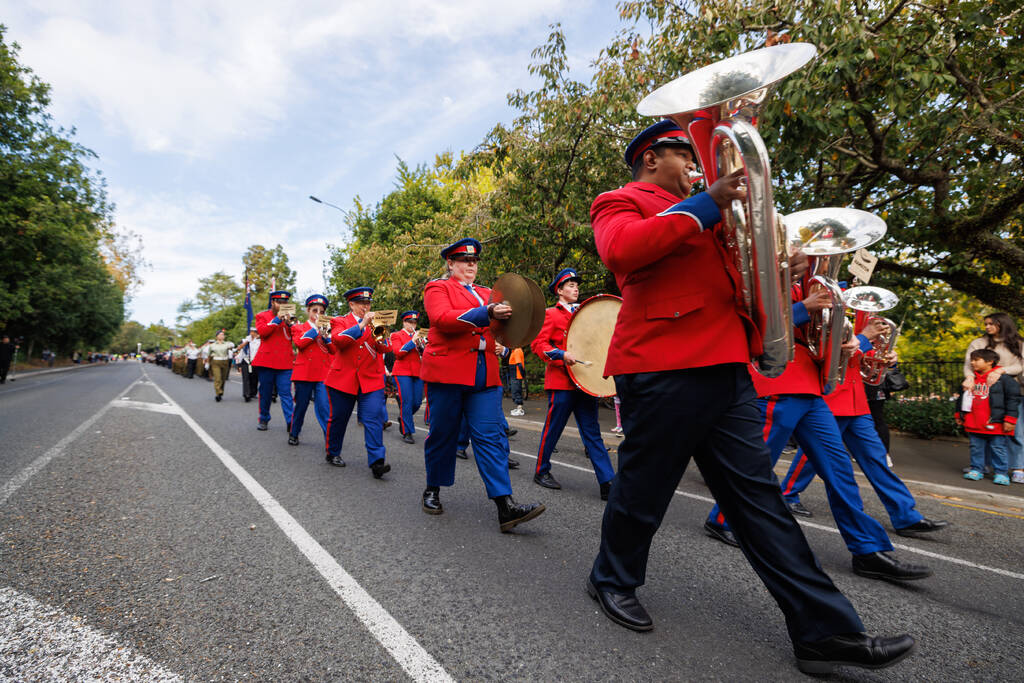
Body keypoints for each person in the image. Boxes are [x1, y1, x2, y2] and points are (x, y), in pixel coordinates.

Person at [586, 119, 913, 673]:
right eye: (685, 154)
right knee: (643, 490)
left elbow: (742, 292)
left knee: (761, 504)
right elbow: (621, 251)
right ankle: (611, 579)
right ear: (651, 158)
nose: (695, 166)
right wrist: (708, 203)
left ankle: (824, 633)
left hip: (728, 368)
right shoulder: (622, 201)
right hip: (663, 366)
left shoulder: (713, 217)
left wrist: (790, 274)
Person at [777, 321, 949, 536]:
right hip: (831, 397)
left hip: (857, 401)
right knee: (810, 457)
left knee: (877, 459)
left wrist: (886, 359)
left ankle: (905, 516)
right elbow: (829, 354)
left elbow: (861, 362)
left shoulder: (863, 321)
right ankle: (787, 494)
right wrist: (865, 337)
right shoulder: (828, 317)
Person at [420, 238, 544, 532]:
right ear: (451, 263)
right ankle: (432, 488)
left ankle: (505, 506)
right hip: (448, 373)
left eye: (474, 261)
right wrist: (487, 312)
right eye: (464, 260)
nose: (471, 265)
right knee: (443, 435)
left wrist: (515, 327)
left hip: (484, 374)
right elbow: (442, 319)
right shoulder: (438, 287)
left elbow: (508, 327)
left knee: (491, 438)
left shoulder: (489, 292)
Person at [531, 267, 615, 500]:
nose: (575, 289)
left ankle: (607, 481)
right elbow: (538, 345)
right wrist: (561, 354)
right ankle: (541, 471)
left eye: (577, 285)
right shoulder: (551, 314)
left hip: (585, 382)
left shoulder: (585, 313)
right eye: (570, 285)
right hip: (561, 382)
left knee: (592, 433)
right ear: (559, 290)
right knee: (553, 429)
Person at [322, 287, 391, 478]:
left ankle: (377, 461)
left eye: (368, 303)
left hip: (371, 379)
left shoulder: (376, 323)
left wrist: (380, 330)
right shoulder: (340, 321)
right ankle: (333, 452)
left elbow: (386, 348)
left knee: (374, 418)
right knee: (339, 418)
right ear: (351, 304)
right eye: (361, 303)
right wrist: (362, 325)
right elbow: (338, 340)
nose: (365, 307)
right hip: (343, 379)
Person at [963, 313, 1024, 483]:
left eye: (991, 324)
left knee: (1014, 430)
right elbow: (969, 364)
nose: (987, 327)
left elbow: (1020, 365)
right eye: (986, 324)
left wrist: (1001, 370)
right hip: (982, 393)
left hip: (1010, 391)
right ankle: (982, 465)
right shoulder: (978, 343)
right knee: (984, 430)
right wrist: (969, 377)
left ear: (1002, 324)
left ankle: (1018, 467)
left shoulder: (1018, 343)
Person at [957, 348, 1020, 485]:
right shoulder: (970, 380)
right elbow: (961, 398)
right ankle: (977, 469)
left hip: (995, 423)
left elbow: (1013, 400)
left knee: (998, 448)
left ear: (990, 361)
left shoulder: (1004, 380)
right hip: (974, 422)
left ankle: (1001, 473)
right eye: (971, 360)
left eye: (976, 360)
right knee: (976, 448)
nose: (972, 363)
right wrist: (959, 415)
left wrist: (1010, 419)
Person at [289, 294, 331, 446]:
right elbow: (300, 344)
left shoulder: (327, 328)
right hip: (304, 374)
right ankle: (294, 433)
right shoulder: (298, 327)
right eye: (315, 310)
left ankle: (330, 443)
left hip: (322, 374)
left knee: (325, 408)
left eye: (322, 311)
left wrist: (326, 336)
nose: (318, 314)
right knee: (301, 406)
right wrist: (316, 330)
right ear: (308, 310)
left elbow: (333, 350)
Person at [252, 290, 296, 431]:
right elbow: (263, 332)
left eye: (285, 303)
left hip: (285, 362)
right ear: (272, 302)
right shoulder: (262, 316)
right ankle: (264, 418)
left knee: (286, 393)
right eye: (279, 302)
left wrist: (291, 324)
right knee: (265, 393)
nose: (282, 305)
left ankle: (291, 422)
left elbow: (296, 337)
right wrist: (277, 319)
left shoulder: (291, 318)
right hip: (267, 362)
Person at [390, 311, 425, 444]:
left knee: (417, 402)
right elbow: (398, 353)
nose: (412, 325)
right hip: (402, 372)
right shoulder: (396, 335)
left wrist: (422, 346)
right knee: (407, 401)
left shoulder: (418, 337)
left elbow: (424, 354)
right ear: (404, 322)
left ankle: (403, 417)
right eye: (410, 322)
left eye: (414, 323)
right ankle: (407, 432)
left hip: (417, 372)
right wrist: (412, 341)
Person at [207, 329, 235, 402]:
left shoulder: (227, 344)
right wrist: (207, 363)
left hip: (225, 361)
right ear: (217, 336)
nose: (222, 336)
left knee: (223, 379)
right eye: (220, 334)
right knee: (217, 378)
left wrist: (232, 347)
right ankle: (218, 393)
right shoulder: (212, 345)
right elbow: (209, 355)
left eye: (223, 335)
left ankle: (221, 391)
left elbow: (233, 350)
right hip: (215, 362)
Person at [508, 347, 526, 416]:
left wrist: (522, 375)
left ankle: (520, 409)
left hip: (516, 375)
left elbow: (519, 364)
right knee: (515, 391)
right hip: (514, 374)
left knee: (517, 391)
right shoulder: (514, 350)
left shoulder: (517, 350)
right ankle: (518, 407)